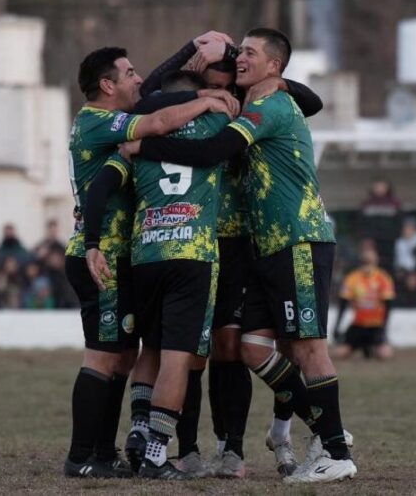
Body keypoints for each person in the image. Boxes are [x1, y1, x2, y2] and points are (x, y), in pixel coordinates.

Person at [125, 28, 356, 483]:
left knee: (302, 347)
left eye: (244, 55)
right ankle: (320, 433)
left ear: (265, 67)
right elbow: (143, 99)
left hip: (290, 238)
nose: (236, 62)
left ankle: (332, 447)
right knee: (248, 348)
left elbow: (215, 150)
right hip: (258, 245)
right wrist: (186, 52)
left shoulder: (262, 106)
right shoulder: (219, 104)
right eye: (236, 55)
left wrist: (142, 146)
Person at [62, 42, 239, 480]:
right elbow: (158, 116)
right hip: (101, 253)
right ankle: (83, 456)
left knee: (124, 357)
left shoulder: (121, 133)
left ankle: (105, 453)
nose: (139, 79)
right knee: (104, 358)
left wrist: (191, 56)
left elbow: (155, 101)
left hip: (131, 255)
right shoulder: (98, 121)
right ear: (106, 85)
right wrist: (205, 97)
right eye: (129, 73)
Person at [333, 243, 395, 360]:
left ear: (376, 259)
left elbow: (388, 305)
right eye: (365, 254)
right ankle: (364, 347)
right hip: (358, 325)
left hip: (376, 326)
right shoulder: (352, 278)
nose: (368, 257)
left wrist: (384, 328)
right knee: (339, 354)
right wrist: (337, 326)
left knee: (385, 355)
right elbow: (343, 304)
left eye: (371, 254)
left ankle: (371, 347)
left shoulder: (383, 278)